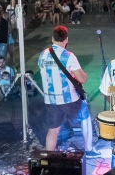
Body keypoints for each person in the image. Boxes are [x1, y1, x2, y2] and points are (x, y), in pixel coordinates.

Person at [37, 26, 99, 158]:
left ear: (53, 38)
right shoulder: (68, 56)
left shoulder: (43, 54)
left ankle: (49, 156)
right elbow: (82, 79)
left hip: (50, 99)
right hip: (69, 99)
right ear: (66, 39)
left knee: (53, 130)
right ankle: (88, 148)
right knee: (85, 117)